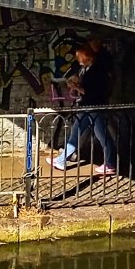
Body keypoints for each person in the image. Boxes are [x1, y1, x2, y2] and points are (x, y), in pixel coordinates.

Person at [50, 39, 118, 175]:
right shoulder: (89, 69)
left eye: (79, 58)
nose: (78, 60)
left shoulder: (96, 71)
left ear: (86, 57)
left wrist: (76, 87)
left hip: (94, 107)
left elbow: (93, 91)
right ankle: (61, 161)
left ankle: (110, 164)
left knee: (102, 136)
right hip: (87, 106)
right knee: (76, 133)